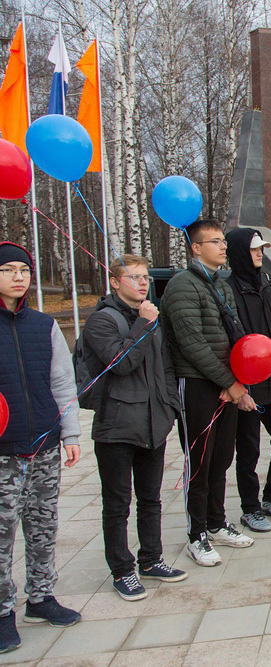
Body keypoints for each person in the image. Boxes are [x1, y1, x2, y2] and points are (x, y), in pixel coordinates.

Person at [82, 254, 187, 601]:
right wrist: (143, 324)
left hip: (154, 422)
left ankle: (151, 558)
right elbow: (122, 364)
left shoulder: (152, 318)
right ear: (115, 282)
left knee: (151, 499)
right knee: (117, 504)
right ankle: (122, 570)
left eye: (145, 277)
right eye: (134, 277)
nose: (143, 283)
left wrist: (170, 406)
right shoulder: (102, 321)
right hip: (117, 427)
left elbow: (166, 368)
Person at [0, 242, 82, 652]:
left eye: (24, 270)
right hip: (3, 451)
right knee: (1, 534)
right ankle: (1, 612)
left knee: (43, 525)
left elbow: (62, 383)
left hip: (45, 444)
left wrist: (69, 434)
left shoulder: (43, 326)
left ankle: (41, 597)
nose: (18, 276)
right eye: (9, 269)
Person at [160, 219, 254, 568]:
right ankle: (195, 534)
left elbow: (232, 334)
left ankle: (216, 522)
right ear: (196, 248)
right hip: (197, 383)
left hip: (226, 384)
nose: (223, 247)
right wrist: (229, 382)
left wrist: (239, 382)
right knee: (199, 461)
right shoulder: (183, 285)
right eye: (214, 242)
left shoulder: (221, 285)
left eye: (223, 242)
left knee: (221, 458)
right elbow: (192, 343)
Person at [225, 229, 271, 530]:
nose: (259, 253)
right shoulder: (227, 289)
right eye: (254, 249)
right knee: (249, 451)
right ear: (241, 251)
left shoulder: (268, 283)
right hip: (249, 383)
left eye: (262, 249)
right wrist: (238, 386)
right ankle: (250, 507)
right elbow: (230, 338)